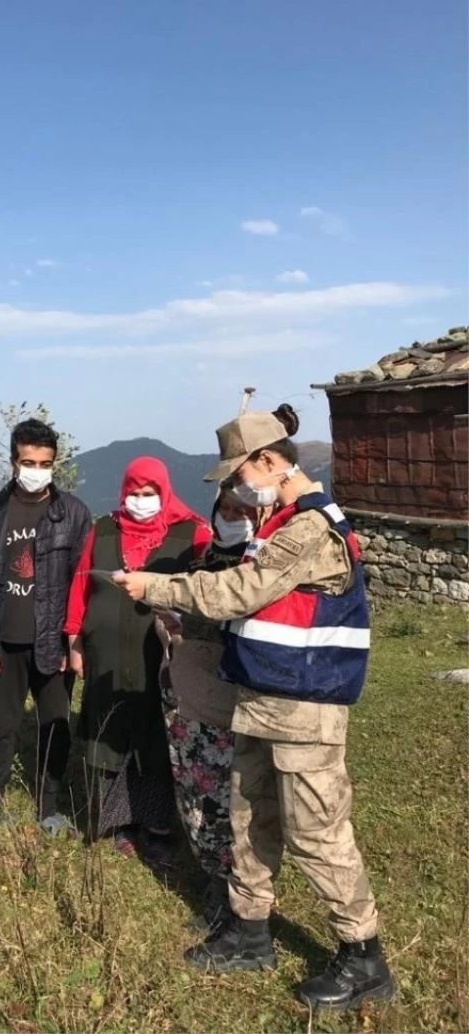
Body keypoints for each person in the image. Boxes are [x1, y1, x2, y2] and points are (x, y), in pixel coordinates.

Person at [113, 406, 395, 1011]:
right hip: (264, 697)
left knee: (317, 830)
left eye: (239, 475)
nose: (237, 490)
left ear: (267, 462)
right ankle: (249, 930)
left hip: (304, 705)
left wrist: (155, 587)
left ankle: (363, 955)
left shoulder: (309, 530)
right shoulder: (281, 523)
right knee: (250, 819)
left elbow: (238, 591)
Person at [65, 456, 211, 866]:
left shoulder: (192, 533)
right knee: (111, 731)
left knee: (156, 735)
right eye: (134, 493)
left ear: (164, 493)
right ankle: (119, 823)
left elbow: (209, 589)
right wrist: (74, 637)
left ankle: (159, 827)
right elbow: (81, 582)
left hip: (161, 657)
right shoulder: (104, 528)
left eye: (149, 494)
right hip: (105, 653)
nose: (141, 501)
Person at [0, 418, 91, 846]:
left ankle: (49, 807)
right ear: (13, 461)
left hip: (52, 644)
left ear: (55, 463)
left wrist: (73, 641)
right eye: (28, 461)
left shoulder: (73, 513)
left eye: (46, 462)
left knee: (55, 725)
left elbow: (82, 583)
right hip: (2, 642)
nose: (37, 470)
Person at [158, 488, 259, 930]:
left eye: (244, 510)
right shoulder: (197, 566)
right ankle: (212, 882)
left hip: (231, 706)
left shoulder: (258, 568)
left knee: (229, 805)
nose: (234, 517)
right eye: (227, 509)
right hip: (188, 698)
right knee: (194, 799)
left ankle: (233, 897)